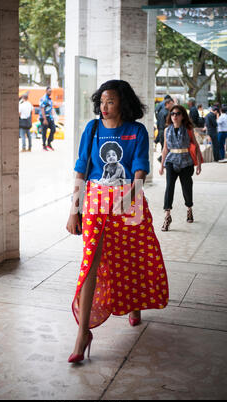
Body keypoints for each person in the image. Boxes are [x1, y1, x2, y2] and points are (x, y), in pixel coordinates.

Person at [66, 80, 169, 363]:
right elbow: (81, 169)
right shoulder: (93, 129)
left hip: (129, 199)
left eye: (110, 101)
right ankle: (83, 333)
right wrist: (74, 210)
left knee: (131, 256)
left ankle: (135, 306)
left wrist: (132, 196)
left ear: (123, 102)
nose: (104, 107)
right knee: (91, 263)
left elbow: (140, 170)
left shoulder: (137, 131)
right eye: (101, 101)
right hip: (97, 201)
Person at [159, 105, 202, 231]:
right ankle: (167, 216)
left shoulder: (188, 129)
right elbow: (165, 149)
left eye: (177, 114)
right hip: (171, 161)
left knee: (187, 188)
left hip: (186, 162)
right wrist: (161, 166)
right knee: (169, 188)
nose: (174, 116)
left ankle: (189, 208)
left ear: (182, 116)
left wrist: (199, 164)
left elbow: (196, 146)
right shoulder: (167, 130)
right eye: (172, 114)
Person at [156, 98, 174, 162]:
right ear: (167, 104)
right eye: (171, 104)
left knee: (164, 148)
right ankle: (162, 160)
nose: (173, 105)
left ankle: (163, 160)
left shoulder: (161, 112)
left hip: (161, 132)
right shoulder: (166, 113)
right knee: (166, 148)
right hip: (164, 132)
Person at [39, 87, 56, 151]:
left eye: (51, 91)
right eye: (49, 91)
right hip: (44, 117)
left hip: (50, 117)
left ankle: (49, 143)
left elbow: (51, 108)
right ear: (46, 91)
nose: (50, 92)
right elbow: (42, 109)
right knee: (44, 132)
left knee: (53, 129)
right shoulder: (44, 99)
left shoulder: (50, 99)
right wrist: (44, 119)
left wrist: (53, 115)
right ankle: (44, 145)